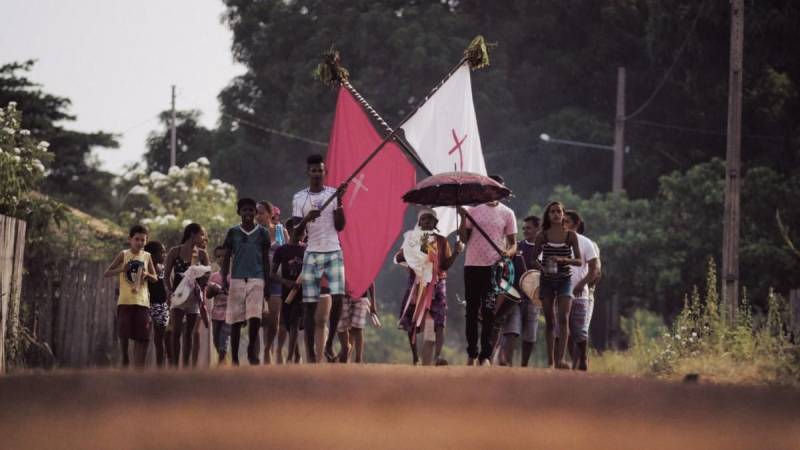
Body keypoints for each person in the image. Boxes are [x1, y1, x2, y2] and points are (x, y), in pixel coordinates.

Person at [291, 154, 347, 363]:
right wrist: (306, 219)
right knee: (310, 304)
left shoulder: (333, 195)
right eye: (313, 170)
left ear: (325, 173)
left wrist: (340, 201)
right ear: (308, 173)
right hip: (312, 253)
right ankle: (311, 354)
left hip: (333, 251)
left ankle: (329, 344)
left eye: (320, 171)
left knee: (338, 297)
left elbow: (340, 226)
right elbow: (295, 237)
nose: (316, 174)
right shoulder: (299, 198)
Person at [457, 174, 518, 366]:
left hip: (494, 268)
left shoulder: (508, 213)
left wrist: (507, 254)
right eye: (489, 187)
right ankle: (472, 352)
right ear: (485, 189)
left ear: (501, 190)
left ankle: (485, 355)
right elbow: (464, 239)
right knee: (472, 311)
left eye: (496, 188)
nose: (492, 191)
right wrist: (462, 218)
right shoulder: (473, 212)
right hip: (472, 266)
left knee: (489, 310)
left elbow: (513, 243)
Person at [396, 208, 462, 366]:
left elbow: (445, 265)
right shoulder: (412, 238)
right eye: (423, 219)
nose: (426, 222)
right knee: (412, 320)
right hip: (417, 284)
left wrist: (457, 252)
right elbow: (399, 257)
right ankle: (415, 357)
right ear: (418, 222)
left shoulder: (441, 241)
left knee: (439, 320)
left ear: (436, 223)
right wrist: (410, 250)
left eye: (429, 219)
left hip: (438, 283)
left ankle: (438, 356)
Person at [530, 201, 582, 369]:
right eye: (552, 212)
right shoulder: (542, 235)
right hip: (547, 280)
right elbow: (532, 259)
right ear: (548, 215)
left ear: (563, 214)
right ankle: (551, 361)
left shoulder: (570, 236)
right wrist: (542, 269)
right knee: (550, 321)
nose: (556, 214)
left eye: (559, 212)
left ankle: (561, 360)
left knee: (563, 318)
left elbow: (579, 260)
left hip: (565, 279)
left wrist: (564, 260)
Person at [221, 198, 271, 365]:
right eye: (245, 210)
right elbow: (227, 256)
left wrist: (267, 281)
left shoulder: (263, 233)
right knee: (236, 320)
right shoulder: (233, 232)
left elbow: (265, 259)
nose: (248, 213)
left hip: (257, 278)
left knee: (255, 317)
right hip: (236, 279)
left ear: (255, 213)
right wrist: (223, 277)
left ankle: (251, 351)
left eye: (251, 210)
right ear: (239, 212)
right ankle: (234, 357)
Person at [104, 224, 157, 368]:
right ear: (130, 239)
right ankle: (125, 357)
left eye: (143, 240)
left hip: (142, 301)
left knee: (142, 335)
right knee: (124, 332)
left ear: (146, 241)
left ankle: (138, 366)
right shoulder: (123, 254)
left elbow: (155, 278)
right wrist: (122, 269)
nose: (140, 243)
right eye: (137, 239)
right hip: (125, 300)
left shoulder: (147, 256)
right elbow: (107, 273)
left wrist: (147, 274)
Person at [499, 215, 542, 367]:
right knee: (512, 330)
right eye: (523, 228)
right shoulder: (517, 247)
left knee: (530, 335)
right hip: (515, 297)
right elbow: (506, 269)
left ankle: (524, 364)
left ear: (538, 229)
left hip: (534, 298)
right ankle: (507, 362)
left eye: (529, 228)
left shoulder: (544, 249)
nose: (525, 231)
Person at [164, 223, 209, 368]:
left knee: (189, 333)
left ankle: (185, 367)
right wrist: (170, 291)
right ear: (192, 234)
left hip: (194, 297)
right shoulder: (174, 252)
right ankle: (175, 365)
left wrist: (201, 289)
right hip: (178, 295)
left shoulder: (202, 254)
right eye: (201, 234)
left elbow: (207, 274)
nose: (203, 237)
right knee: (176, 330)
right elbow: (166, 275)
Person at [564, 210, 601, 371]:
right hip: (563, 292)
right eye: (562, 222)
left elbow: (596, 271)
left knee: (579, 331)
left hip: (583, 294)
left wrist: (584, 285)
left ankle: (583, 359)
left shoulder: (588, 243)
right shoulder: (558, 241)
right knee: (566, 330)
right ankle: (574, 363)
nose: (563, 225)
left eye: (567, 222)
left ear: (576, 224)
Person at [271, 217, 306, 364]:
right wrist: (285, 282)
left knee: (294, 323)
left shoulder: (307, 249)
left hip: (302, 293)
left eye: (305, 230)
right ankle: (296, 355)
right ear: (291, 230)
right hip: (287, 294)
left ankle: (291, 357)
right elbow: (272, 273)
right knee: (288, 323)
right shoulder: (281, 250)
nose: (304, 233)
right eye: (301, 230)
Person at [257, 200, 288, 364]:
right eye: (257, 213)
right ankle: (265, 351)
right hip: (258, 280)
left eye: (261, 213)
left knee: (275, 319)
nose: (258, 216)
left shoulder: (279, 230)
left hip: (277, 280)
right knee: (263, 318)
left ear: (270, 214)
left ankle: (269, 347)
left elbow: (288, 251)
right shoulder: (254, 233)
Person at [336, 284, 377, 363]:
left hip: (361, 297)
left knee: (357, 328)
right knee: (343, 327)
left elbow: (370, 281)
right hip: (344, 296)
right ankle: (345, 352)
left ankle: (358, 359)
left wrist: (373, 303)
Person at [144, 241, 169, 367]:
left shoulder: (163, 268)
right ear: (151, 255)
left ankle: (161, 368)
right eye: (161, 252)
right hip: (147, 306)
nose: (164, 255)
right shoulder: (144, 269)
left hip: (161, 306)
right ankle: (141, 367)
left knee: (160, 340)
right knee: (144, 338)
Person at [208, 246, 232, 364]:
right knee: (216, 338)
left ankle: (221, 359)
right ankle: (223, 358)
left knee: (224, 337)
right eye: (218, 256)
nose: (221, 259)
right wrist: (213, 289)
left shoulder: (235, 276)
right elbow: (208, 295)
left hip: (230, 312)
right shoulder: (213, 276)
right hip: (216, 312)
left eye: (224, 256)